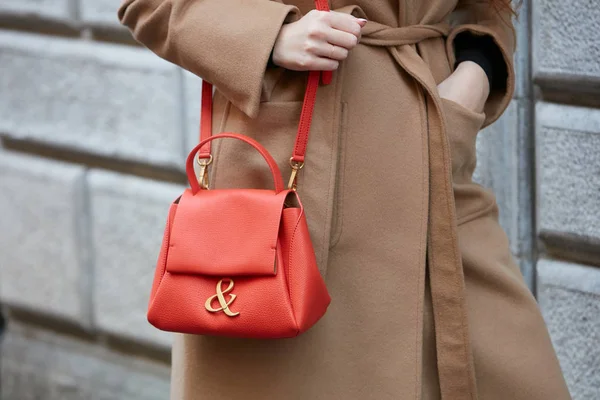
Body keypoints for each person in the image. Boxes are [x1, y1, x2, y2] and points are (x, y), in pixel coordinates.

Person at [118, 1, 572, 399]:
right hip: (294, 183)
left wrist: (475, 73)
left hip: (436, 161)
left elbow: (486, 11)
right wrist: (271, 36)